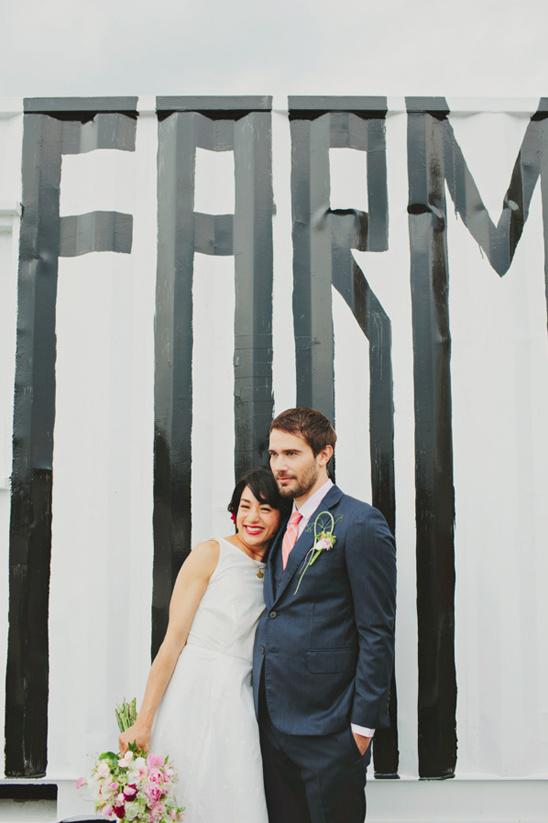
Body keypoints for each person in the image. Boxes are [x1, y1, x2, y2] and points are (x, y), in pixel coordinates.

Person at [253, 407, 397, 823]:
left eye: (292, 453)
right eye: (274, 453)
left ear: (323, 454)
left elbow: (377, 632)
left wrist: (360, 730)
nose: (279, 465)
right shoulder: (280, 522)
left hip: (330, 730)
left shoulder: (359, 523)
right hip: (273, 723)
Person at [119, 467, 287, 823]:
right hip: (192, 690)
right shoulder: (212, 554)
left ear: (281, 515)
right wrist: (143, 723)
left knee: (236, 794)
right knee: (184, 790)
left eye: (265, 508)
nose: (252, 518)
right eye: (245, 506)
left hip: (240, 699)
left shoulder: (280, 568)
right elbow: (172, 643)